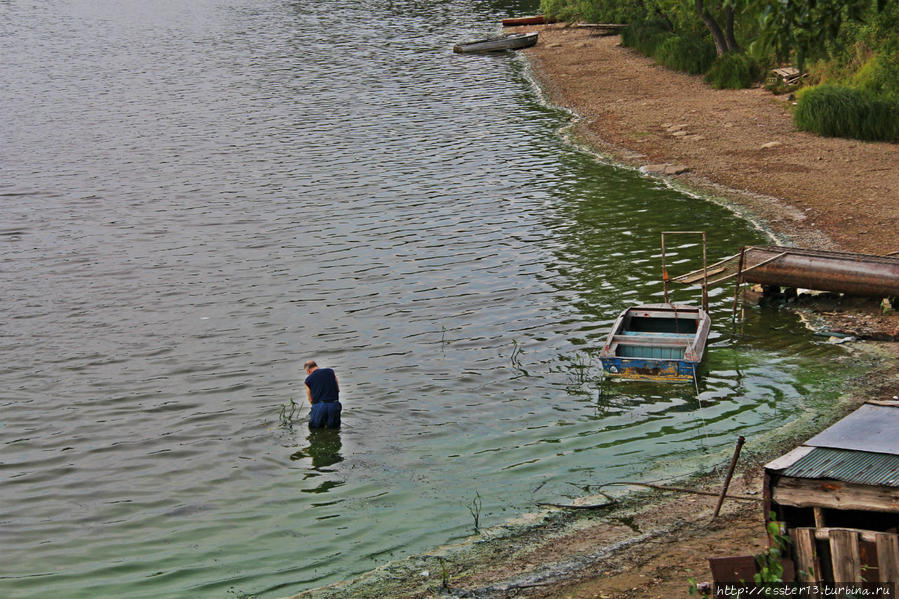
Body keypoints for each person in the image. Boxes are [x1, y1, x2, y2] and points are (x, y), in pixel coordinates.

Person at [303, 360, 341, 429]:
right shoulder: (331, 372)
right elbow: (338, 390)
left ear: (308, 371)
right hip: (334, 405)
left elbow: (310, 399)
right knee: (335, 430)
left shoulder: (308, 380)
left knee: (315, 431)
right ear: (316, 366)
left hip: (319, 407)